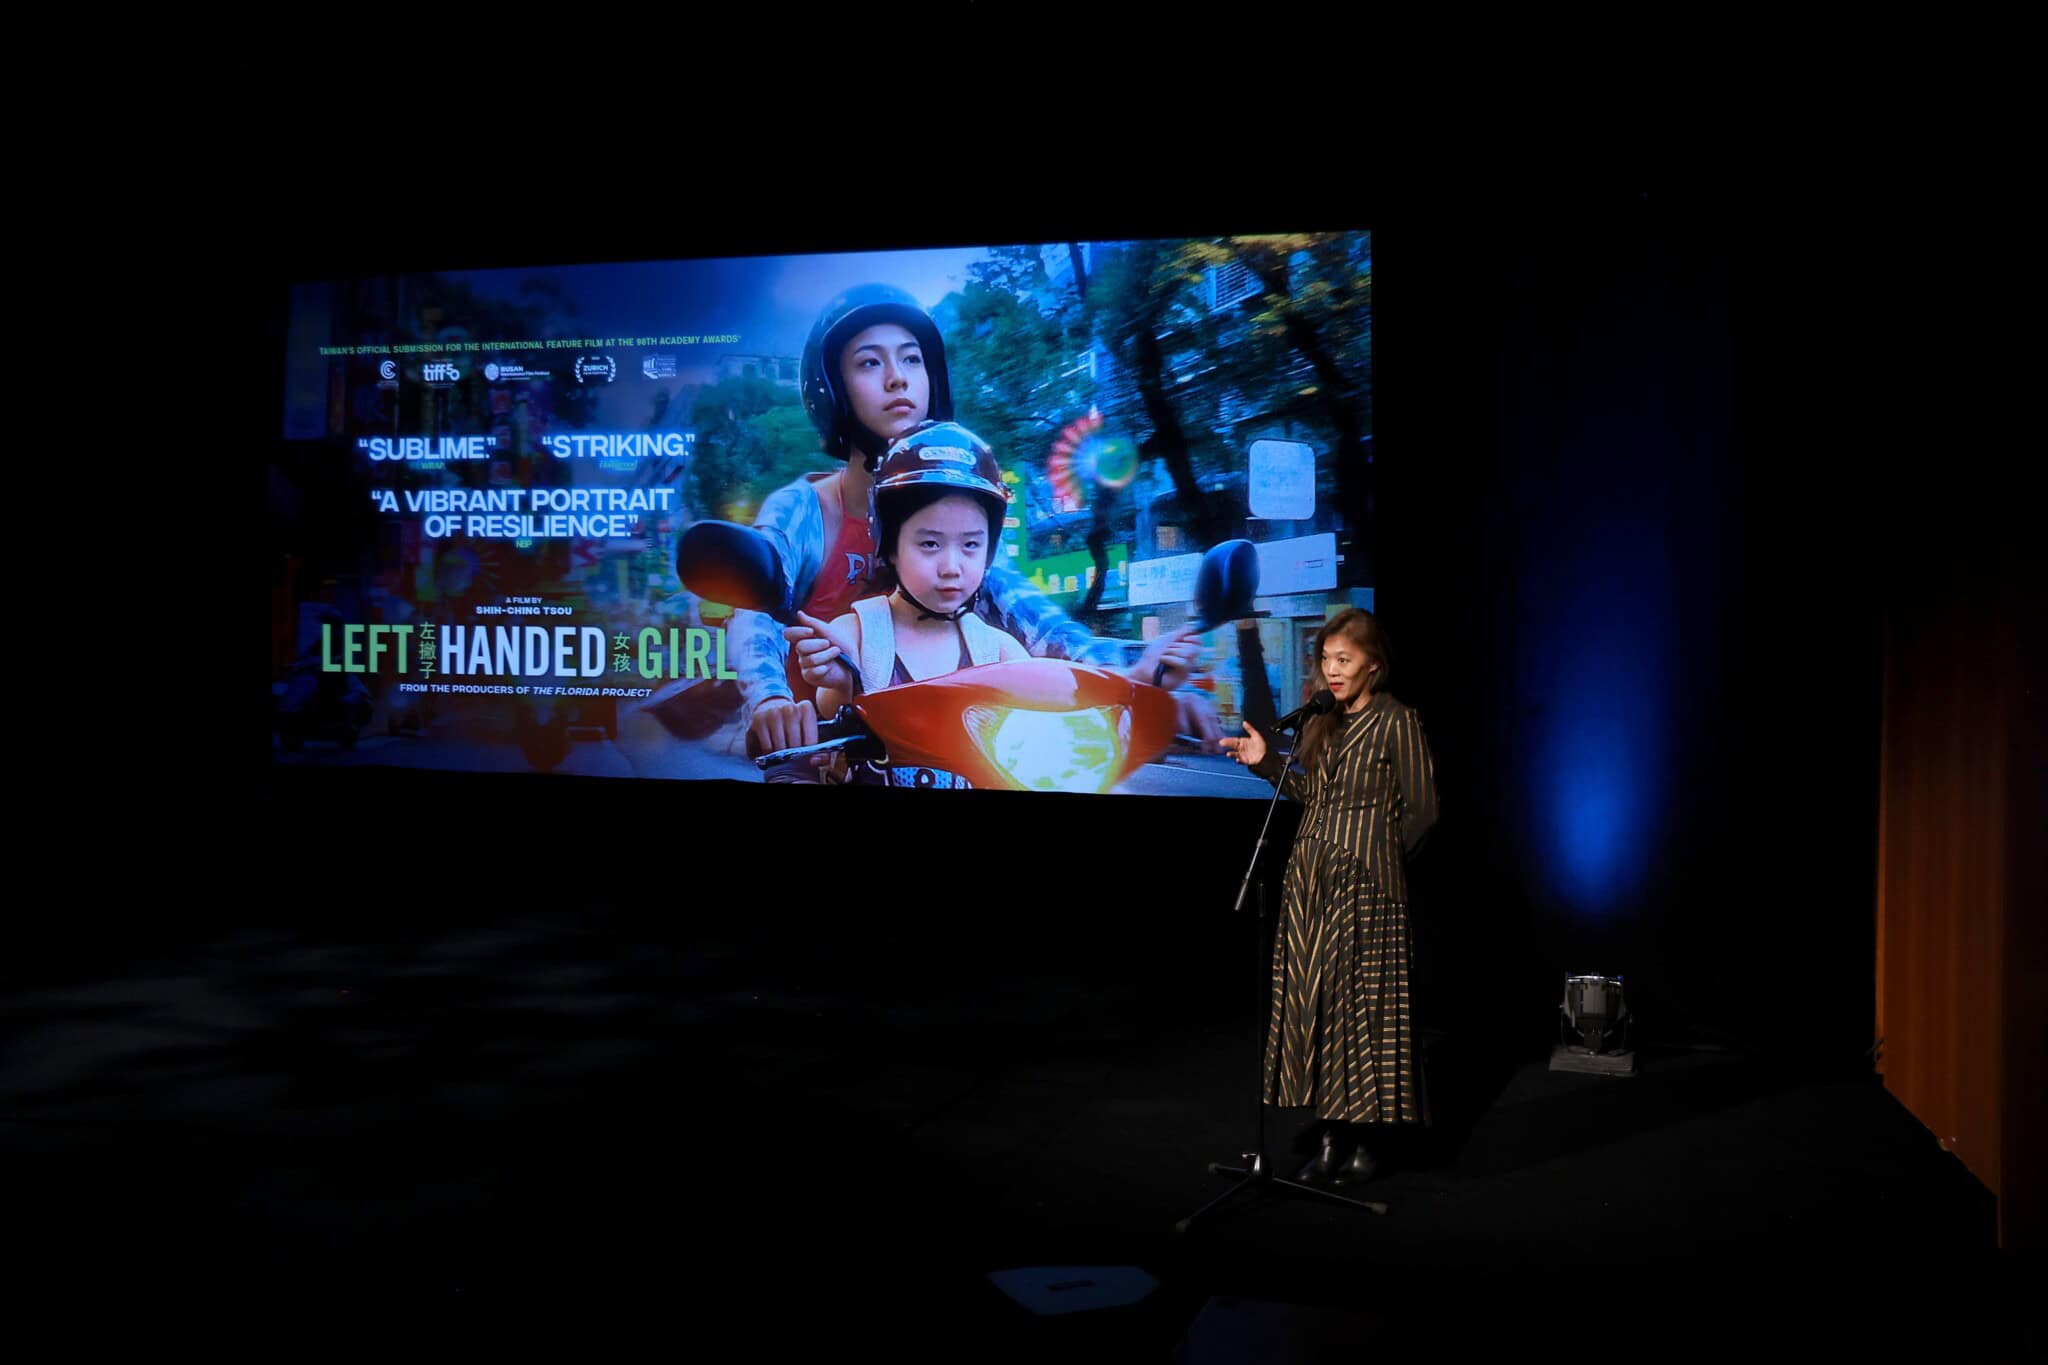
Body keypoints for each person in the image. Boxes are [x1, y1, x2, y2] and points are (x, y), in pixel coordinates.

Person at [727, 284, 1216, 776]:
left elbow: (1040, 624)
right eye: (870, 363)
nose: (898, 379)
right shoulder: (805, 509)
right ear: (831, 387)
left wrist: (1138, 674)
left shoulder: (962, 531)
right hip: (818, 749)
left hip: (942, 751)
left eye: (913, 360)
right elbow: (755, 611)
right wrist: (772, 701)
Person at [1220, 607, 1439, 1183]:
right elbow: (1311, 795)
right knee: (1317, 1009)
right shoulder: (1327, 723)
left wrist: (1380, 864)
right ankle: (1332, 1135)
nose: (1332, 670)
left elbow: (1423, 810)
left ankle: (1367, 1140)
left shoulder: (1397, 721)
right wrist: (1265, 764)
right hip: (1309, 890)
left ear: (1373, 664)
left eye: (1344, 659)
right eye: (1326, 660)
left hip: (1368, 894)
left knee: (1361, 1015)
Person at [787, 422, 1036, 787]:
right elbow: (829, 711)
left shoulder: (999, 652)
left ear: (989, 549)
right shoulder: (856, 634)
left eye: (970, 545)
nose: (952, 568)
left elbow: (1051, 713)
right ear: (890, 546)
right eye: (930, 545)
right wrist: (841, 680)